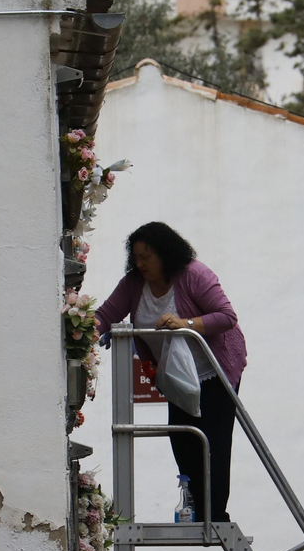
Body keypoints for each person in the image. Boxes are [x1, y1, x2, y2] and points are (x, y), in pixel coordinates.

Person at [95, 222, 246, 522]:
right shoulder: (134, 284)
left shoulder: (194, 275)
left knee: (214, 442)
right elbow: (105, 315)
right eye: (135, 257)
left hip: (215, 371)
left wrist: (186, 323)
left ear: (165, 254)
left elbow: (226, 316)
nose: (140, 263)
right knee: (182, 439)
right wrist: (80, 335)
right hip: (177, 377)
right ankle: (195, 509)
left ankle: (215, 515)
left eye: (146, 257)